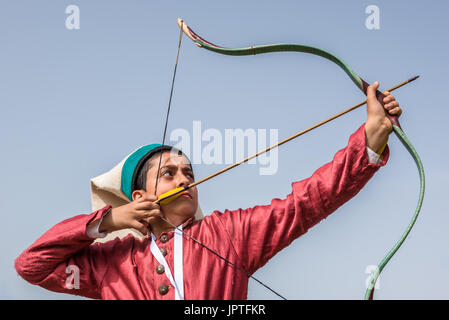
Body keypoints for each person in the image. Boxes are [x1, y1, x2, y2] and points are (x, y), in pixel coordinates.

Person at [15, 82, 402, 300]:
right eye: (169, 173)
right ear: (139, 199)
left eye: (189, 172)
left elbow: (305, 204)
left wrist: (370, 138)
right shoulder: (109, 264)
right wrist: (108, 221)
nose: (186, 179)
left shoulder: (228, 234)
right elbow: (31, 265)